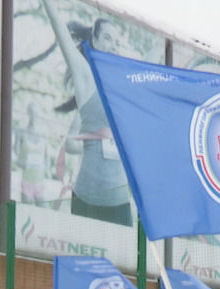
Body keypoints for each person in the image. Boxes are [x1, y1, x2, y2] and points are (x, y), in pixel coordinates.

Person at [40, 0, 133, 225]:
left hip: (119, 202)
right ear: (95, 41)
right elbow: (59, 28)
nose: (113, 45)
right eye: (108, 38)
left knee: (122, 261)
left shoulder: (127, 86)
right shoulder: (85, 77)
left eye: (117, 42)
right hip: (86, 199)